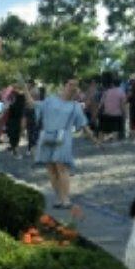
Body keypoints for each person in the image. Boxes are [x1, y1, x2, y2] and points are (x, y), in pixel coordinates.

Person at [36, 77, 88, 209]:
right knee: (51, 169)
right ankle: (59, 198)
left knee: (61, 167)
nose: (73, 88)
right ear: (64, 85)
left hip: (62, 136)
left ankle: (66, 199)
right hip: (48, 135)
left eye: (75, 86)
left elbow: (83, 124)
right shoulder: (51, 100)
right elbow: (33, 104)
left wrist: (94, 138)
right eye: (70, 84)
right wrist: (24, 89)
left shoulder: (75, 106)